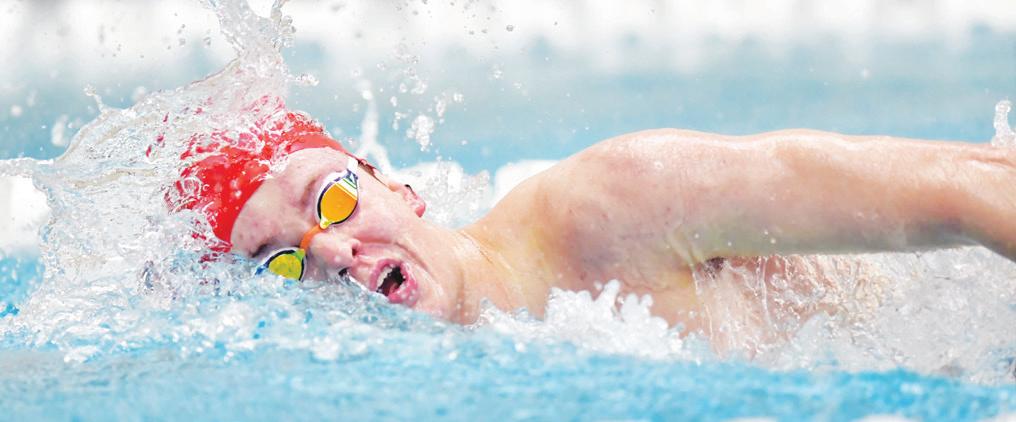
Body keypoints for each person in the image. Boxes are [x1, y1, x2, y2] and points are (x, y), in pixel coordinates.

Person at [174, 104, 1015, 342]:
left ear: (401, 187)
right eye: (281, 262)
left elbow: (973, 187)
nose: (328, 251)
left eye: (331, 199)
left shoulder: (616, 204)